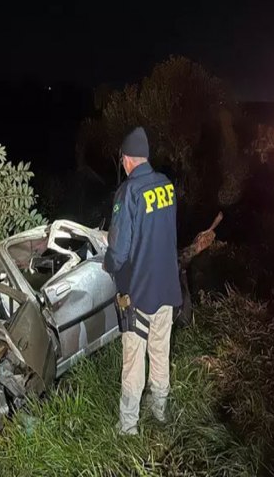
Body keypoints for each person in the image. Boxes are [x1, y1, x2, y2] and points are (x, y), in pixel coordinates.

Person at [103, 126, 182, 435]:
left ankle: (128, 425)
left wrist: (109, 263)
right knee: (160, 352)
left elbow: (120, 251)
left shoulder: (128, 192)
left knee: (133, 360)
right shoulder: (166, 186)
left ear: (127, 160)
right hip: (168, 289)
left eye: (122, 160)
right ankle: (160, 410)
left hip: (138, 295)